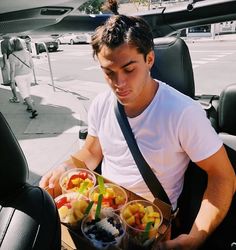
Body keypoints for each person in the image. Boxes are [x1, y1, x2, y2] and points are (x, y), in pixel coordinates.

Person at [39, 15, 235, 249]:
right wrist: (64, 169)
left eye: (129, 69)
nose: (118, 83)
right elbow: (91, 153)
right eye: (108, 72)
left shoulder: (183, 113)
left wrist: (195, 238)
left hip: (148, 226)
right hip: (98, 211)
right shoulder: (102, 103)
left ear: (149, 59)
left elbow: (223, 177)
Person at [8, 37, 38, 118]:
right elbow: (32, 65)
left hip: (19, 76)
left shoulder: (12, 56)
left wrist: (12, 81)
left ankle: (33, 109)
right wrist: (28, 71)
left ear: (11, 46)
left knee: (24, 93)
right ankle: (29, 107)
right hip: (28, 74)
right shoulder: (27, 52)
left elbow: (12, 71)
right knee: (28, 90)